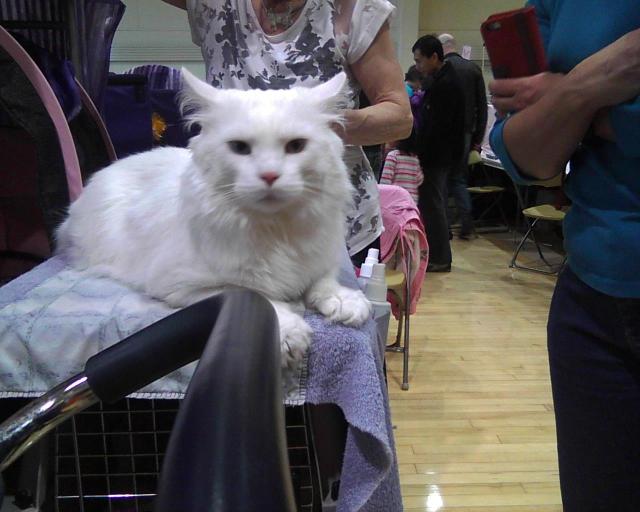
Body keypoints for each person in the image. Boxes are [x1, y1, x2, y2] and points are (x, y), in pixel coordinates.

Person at [489, 2, 640, 510]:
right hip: (590, 302)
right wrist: (588, 87)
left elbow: (547, 125)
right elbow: (526, 152)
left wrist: (571, 107)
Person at [161, 0, 413, 266]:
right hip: (230, 228)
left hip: (330, 227)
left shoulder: (355, 8)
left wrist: (318, 128)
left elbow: (400, 118)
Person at [411, 35, 465, 272]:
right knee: (433, 204)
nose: (418, 66)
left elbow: (438, 126)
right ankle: (437, 254)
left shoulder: (446, 84)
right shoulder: (439, 80)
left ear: (434, 57)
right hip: (435, 154)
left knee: (433, 205)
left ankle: (441, 258)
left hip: (436, 156)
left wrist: (418, 149)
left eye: (420, 61)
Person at [438, 33, 488, 240]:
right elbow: (482, 108)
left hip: (442, 134)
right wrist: (477, 139)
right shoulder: (473, 69)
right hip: (466, 134)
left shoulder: (440, 70)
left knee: (440, 181)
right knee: (458, 180)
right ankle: (466, 223)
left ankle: (445, 226)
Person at [379, 131, 423, 204]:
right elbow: (419, 180)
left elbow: (385, 181)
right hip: (412, 201)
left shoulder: (393, 156)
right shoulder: (415, 158)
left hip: (395, 200)